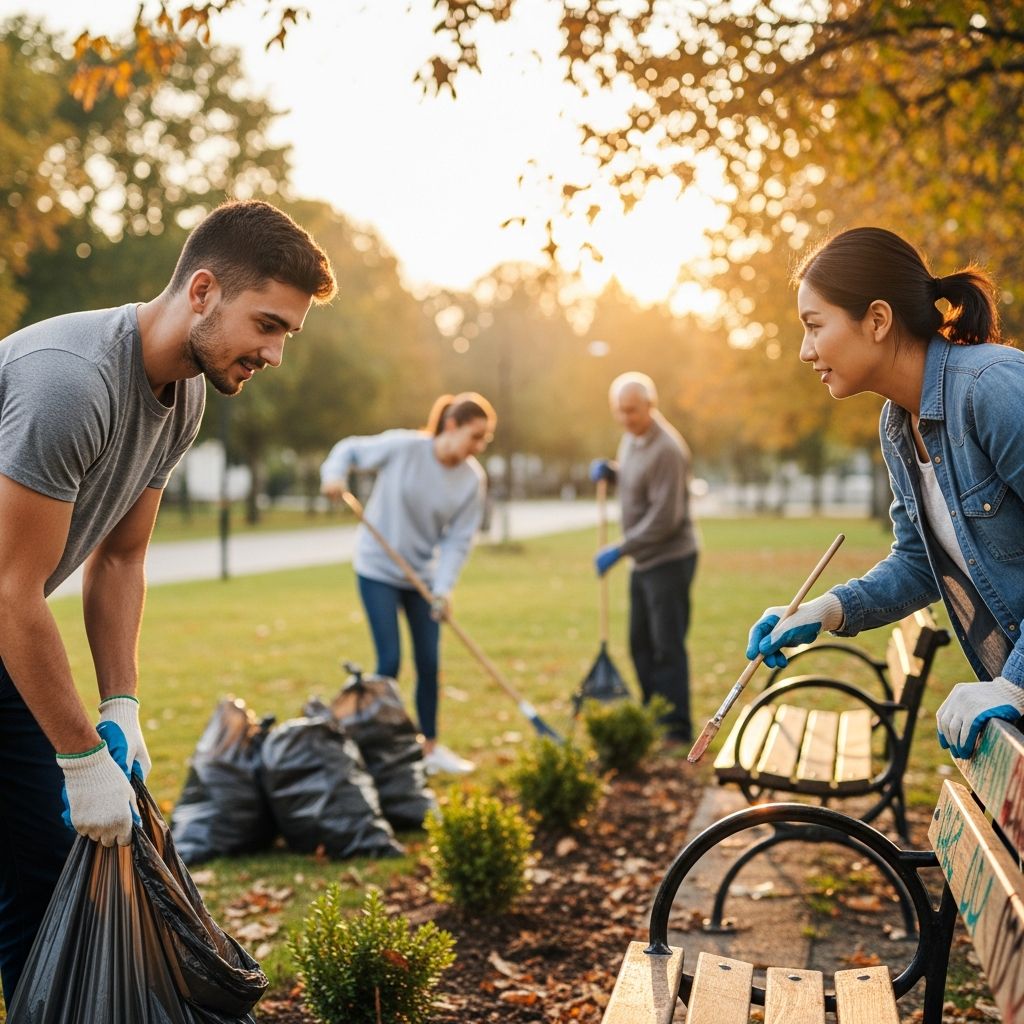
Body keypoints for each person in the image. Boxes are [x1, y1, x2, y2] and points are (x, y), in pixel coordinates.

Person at [0, 199, 336, 1002]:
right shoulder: (70, 382)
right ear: (203, 291)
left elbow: (120, 556)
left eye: (286, 332)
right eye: (266, 324)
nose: (275, 353)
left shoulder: (183, 394)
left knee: (41, 865)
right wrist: (81, 760)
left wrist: (121, 705)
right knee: (46, 855)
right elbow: (13, 593)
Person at [746, 226, 1024, 760]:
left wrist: (1014, 684)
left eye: (814, 326)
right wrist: (823, 611)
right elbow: (920, 562)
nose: (805, 351)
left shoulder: (992, 389)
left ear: (876, 319)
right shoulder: (897, 426)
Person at [320, 393, 495, 775]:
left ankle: (429, 749)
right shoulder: (405, 448)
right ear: (451, 425)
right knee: (390, 661)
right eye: (475, 436)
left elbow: (458, 541)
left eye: (484, 440)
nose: (478, 447)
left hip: (423, 579)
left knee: (429, 663)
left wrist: (443, 590)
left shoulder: (471, 480)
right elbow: (348, 450)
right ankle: (382, 751)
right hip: (377, 568)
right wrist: (334, 476)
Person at [590, 372, 699, 743]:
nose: (625, 418)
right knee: (640, 643)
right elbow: (639, 481)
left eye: (632, 411)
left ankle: (677, 728)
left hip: (669, 559)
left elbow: (664, 519)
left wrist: (620, 549)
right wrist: (615, 473)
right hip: (644, 561)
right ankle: (654, 717)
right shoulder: (631, 440)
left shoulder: (667, 449)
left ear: (650, 407)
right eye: (619, 411)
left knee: (666, 645)